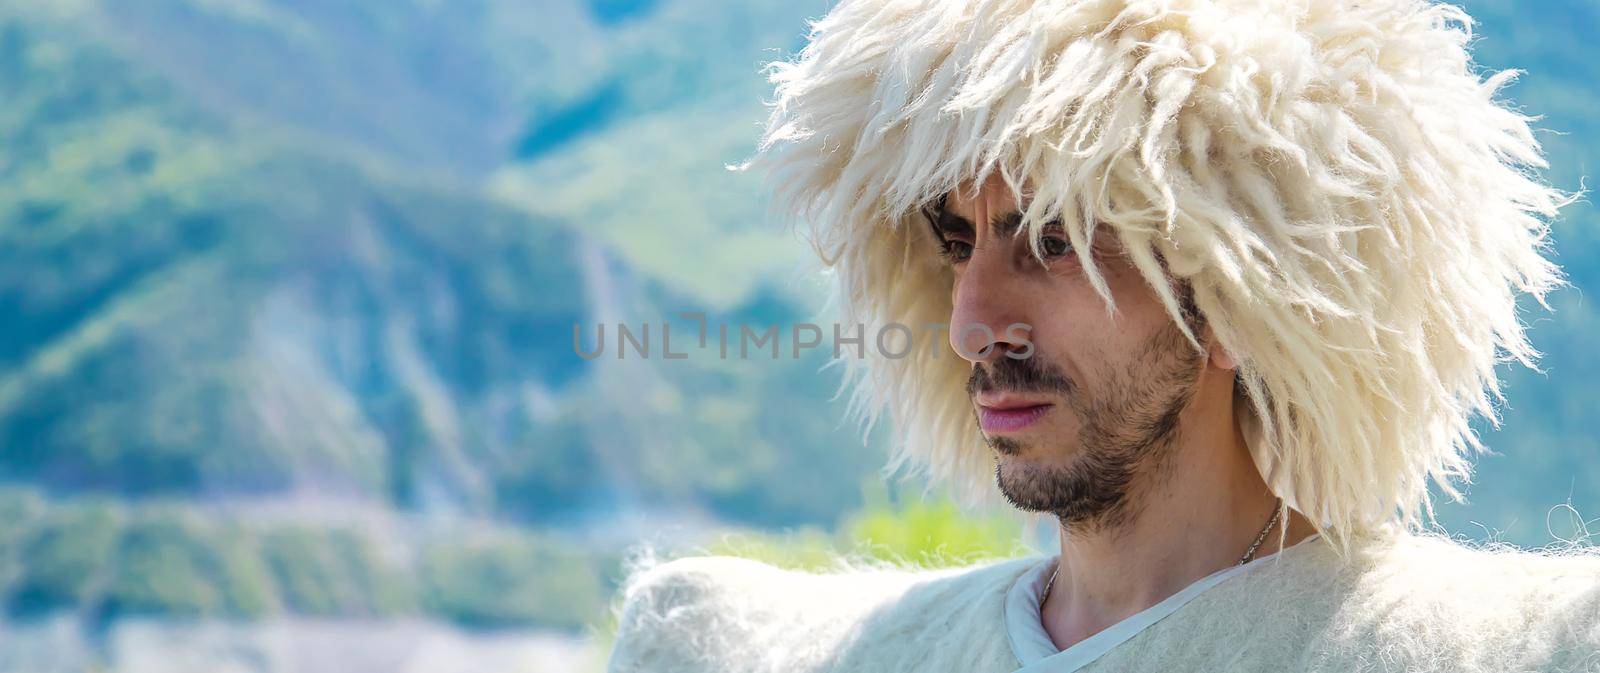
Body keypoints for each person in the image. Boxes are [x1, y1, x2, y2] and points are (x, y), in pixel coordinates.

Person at [606, 0, 1600, 671]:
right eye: (958, 243)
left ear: (1230, 299)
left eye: (1051, 241)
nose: (970, 323)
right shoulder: (775, 650)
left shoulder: (1493, 647)